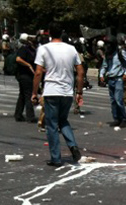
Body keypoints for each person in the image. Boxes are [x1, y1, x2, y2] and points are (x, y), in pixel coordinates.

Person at [31, 22, 83, 167]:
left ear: (49, 33)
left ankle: (56, 157)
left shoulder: (44, 49)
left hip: (51, 91)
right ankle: (72, 145)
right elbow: (80, 71)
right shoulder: (71, 49)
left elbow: (38, 72)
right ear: (62, 33)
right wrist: (79, 92)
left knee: (52, 125)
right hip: (67, 91)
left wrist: (34, 93)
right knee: (63, 120)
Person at [100, 35, 126, 128]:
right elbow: (104, 65)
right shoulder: (107, 53)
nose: (107, 46)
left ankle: (123, 119)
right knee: (113, 101)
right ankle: (116, 118)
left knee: (118, 100)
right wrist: (101, 74)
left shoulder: (121, 53)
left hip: (119, 79)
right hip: (110, 79)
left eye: (109, 44)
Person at [14, 33, 37, 123]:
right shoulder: (24, 48)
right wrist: (28, 65)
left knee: (23, 95)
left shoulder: (31, 49)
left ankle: (18, 114)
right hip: (24, 74)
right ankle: (30, 116)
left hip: (27, 74)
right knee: (28, 95)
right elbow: (18, 59)